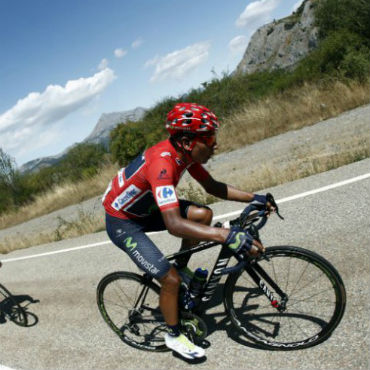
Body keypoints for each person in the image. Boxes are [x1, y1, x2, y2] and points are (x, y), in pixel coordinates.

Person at [102, 102, 272, 359]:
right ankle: (174, 336)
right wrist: (224, 235)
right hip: (123, 222)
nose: (216, 144)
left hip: (146, 210)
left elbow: (212, 186)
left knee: (203, 215)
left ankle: (181, 265)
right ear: (186, 141)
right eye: (210, 138)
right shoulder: (163, 165)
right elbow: (174, 225)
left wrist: (254, 198)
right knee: (170, 280)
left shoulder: (184, 154)